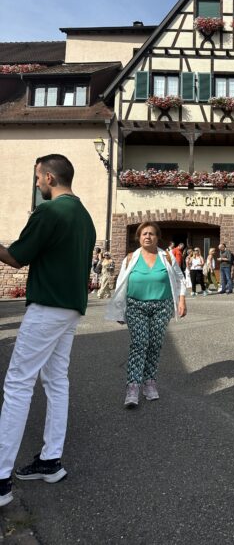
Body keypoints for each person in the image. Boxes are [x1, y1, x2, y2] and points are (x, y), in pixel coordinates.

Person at [0, 154, 96, 508]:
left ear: (51, 178)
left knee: (18, 383)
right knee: (56, 382)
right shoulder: (85, 217)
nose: (37, 183)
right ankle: (50, 461)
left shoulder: (49, 212)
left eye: (39, 178)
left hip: (47, 307)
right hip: (71, 307)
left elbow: (16, 257)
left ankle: (1, 480)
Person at [106, 222, 186, 408]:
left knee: (155, 344)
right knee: (140, 343)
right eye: (144, 234)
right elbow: (120, 283)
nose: (148, 236)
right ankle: (133, 386)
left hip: (162, 306)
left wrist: (182, 300)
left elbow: (180, 278)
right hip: (135, 306)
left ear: (157, 237)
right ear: (139, 237)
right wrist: (119, 309)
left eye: (151, 234)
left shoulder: (166, 257)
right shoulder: (130, 258)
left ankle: (149, 382)